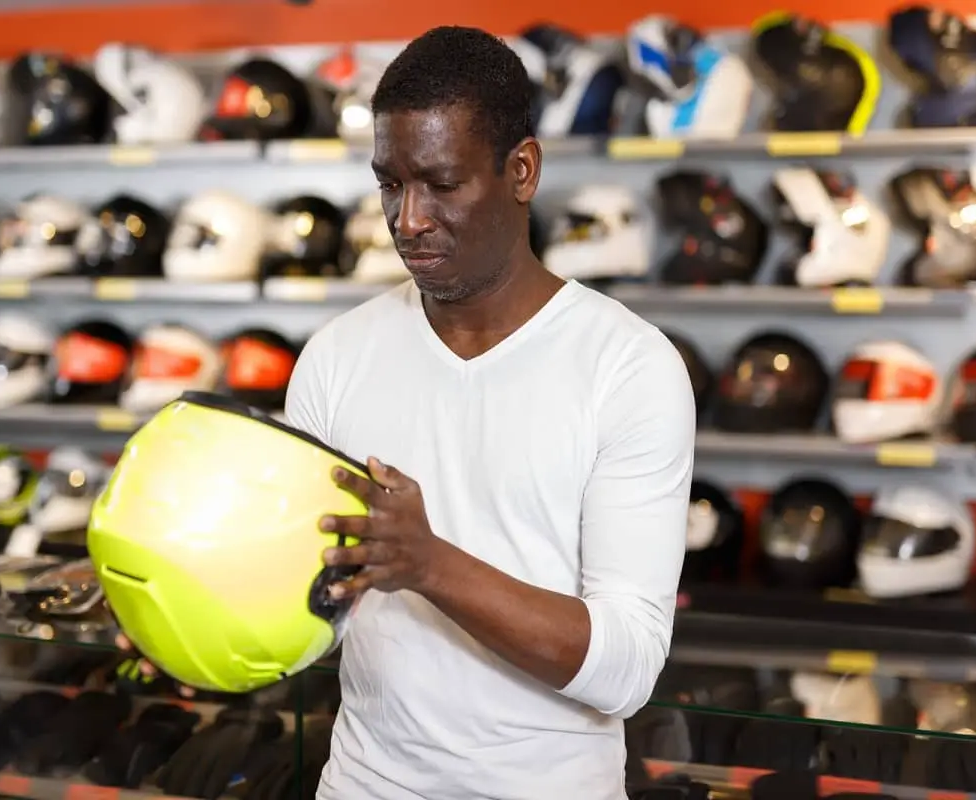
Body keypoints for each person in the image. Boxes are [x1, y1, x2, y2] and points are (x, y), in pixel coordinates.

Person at [123, 25, 695, 799]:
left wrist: (429, 563)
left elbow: (626, 670)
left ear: (521, 170)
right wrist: (176, 581)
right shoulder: (336, 356)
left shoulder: (629, 368)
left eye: (442, 184)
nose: (409, 218)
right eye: (390, 183)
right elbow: (304, 606)